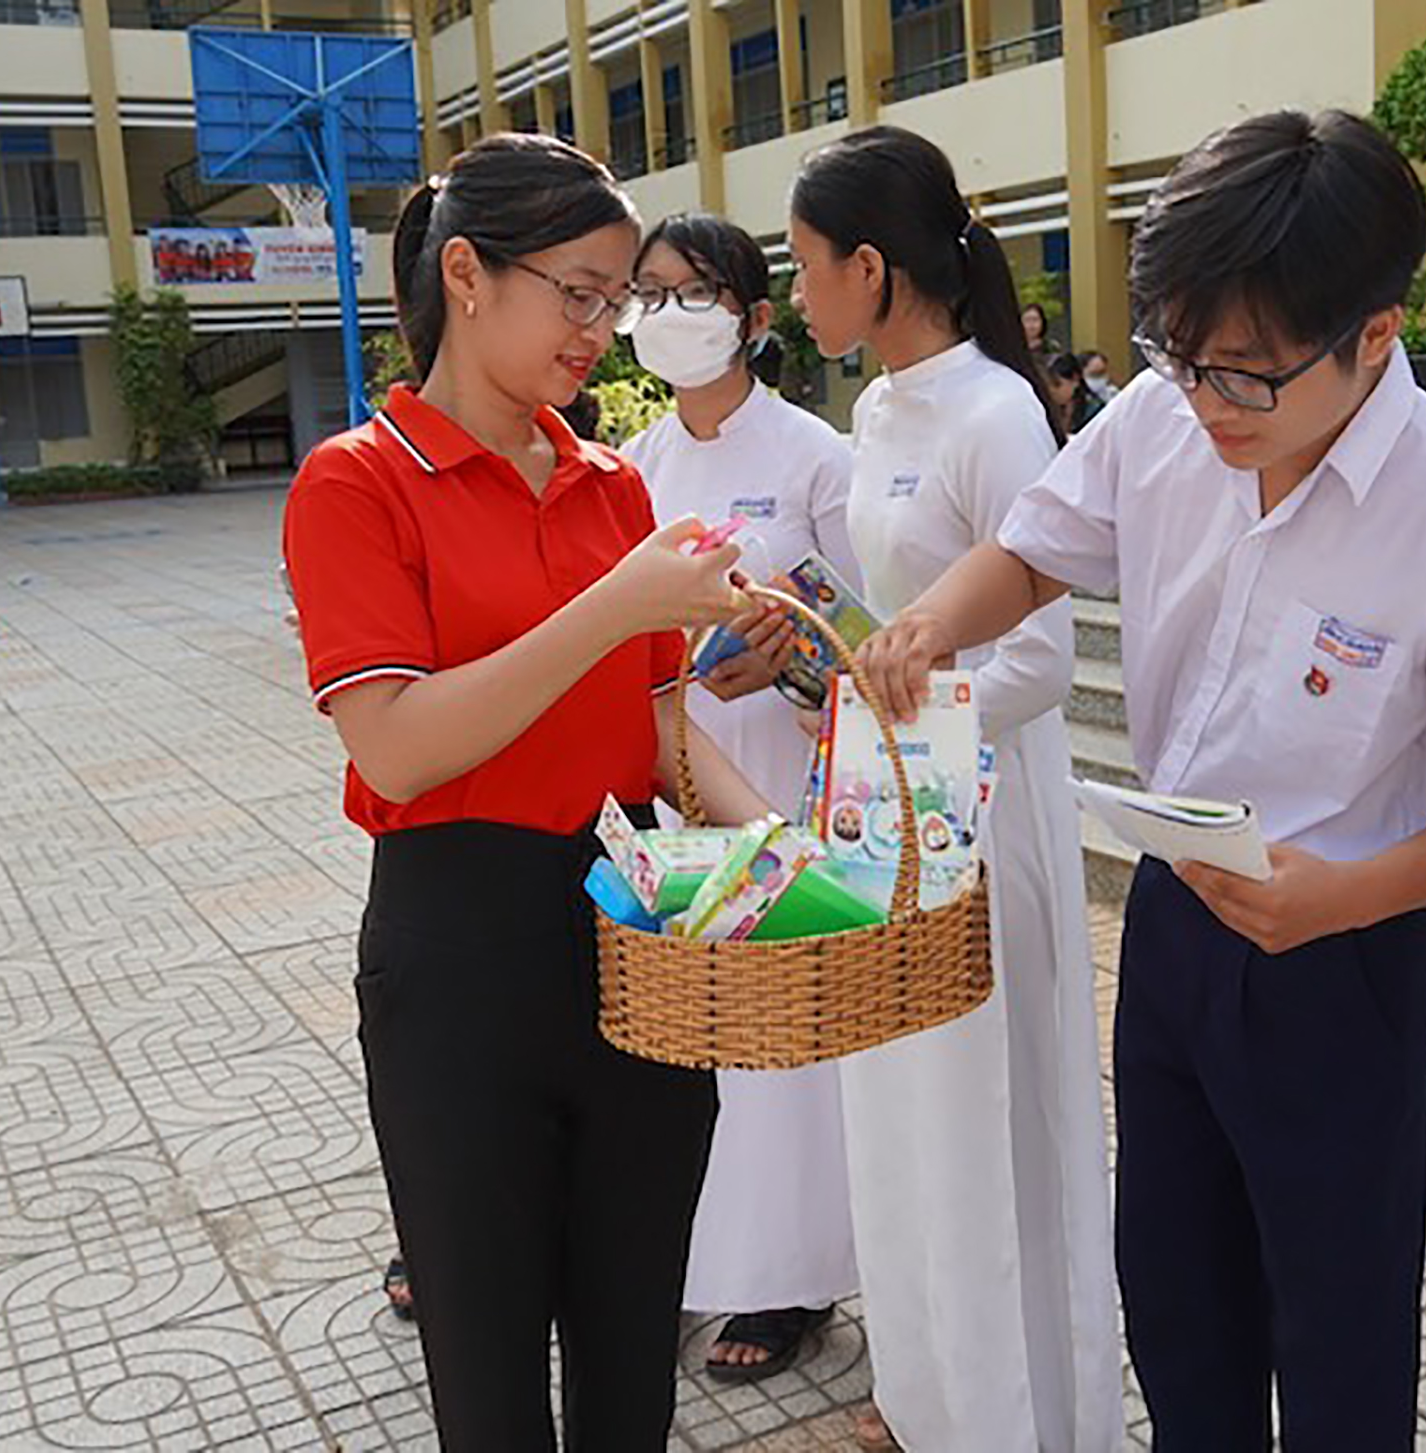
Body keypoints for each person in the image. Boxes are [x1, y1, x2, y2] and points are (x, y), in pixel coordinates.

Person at [854, 108, 1426, 1451]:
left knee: (1336, 1314)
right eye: (1182, 359)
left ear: (1373, 334)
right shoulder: (1163, 420)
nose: (1206, 403)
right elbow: (1033, 549)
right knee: (1177, 1291)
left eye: (1247, 374)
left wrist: (1350, 898)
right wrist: (933, 622)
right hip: (1184, 913)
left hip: (1346, 940)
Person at [281, 132, 775, 1450]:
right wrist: (614, 605)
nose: (603, 330)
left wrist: (787, 852)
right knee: (489, 1382)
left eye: (617, 300)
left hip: (636, 934)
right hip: (462, 961)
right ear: (467, 273)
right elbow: (394, 747)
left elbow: (665, 733)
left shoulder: (618, 488)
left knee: (632, 1368)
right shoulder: (358, 481)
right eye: (582, 292)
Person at [787, 125, 1126, 1453]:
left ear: (872, 268)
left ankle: (1017, 1417)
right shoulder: (874, 410)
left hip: (981, 801)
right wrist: (820, 651)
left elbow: (1039, 649)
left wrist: (911, 695)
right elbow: (892, 614)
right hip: (888, 795)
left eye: (810, 266)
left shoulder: (995, 410)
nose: (798, 292)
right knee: (898, 1102)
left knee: (990, 1119)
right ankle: (922, 1398)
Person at [616, 211, 862, 1384]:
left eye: (694, 292)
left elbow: (871, 640)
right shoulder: (634, 470)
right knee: (699, 1036)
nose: (667, 316)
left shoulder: (817, 457)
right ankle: (707, 1260)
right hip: (677, 778)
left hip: (788, 771)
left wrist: (796, 661)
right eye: (648, 293)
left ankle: (795, 1277)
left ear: (756, 320)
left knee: (788, 1043)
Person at [1045, 352, 1104, 434]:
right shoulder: (1043, 408)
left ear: (1075, 381)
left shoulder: (1094, 412)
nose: (1051, 390)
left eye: (1057, 384)